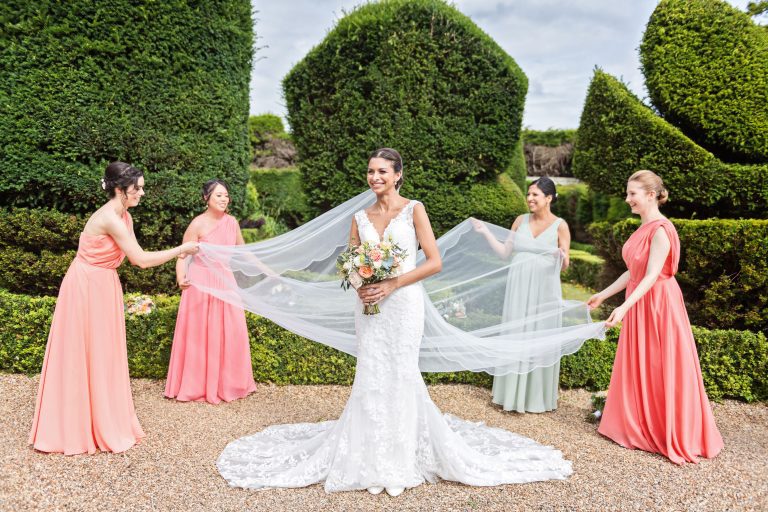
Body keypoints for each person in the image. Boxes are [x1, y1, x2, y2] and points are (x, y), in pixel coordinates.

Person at [215, 148, 573, 495]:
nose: (375, 177)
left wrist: (391, 283)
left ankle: (400, 460)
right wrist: (360, 286)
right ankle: (366, 457)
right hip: (370, 308)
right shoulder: (359, 218)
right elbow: (351, 262)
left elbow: (433, 262)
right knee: (370, 373)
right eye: (371, 171)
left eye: (382, 171)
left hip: (404, 304)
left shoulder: (414, 210)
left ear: (398, 175)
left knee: (401, 371)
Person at [28, 161, 198, 455]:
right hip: (85, 287)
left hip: (104, 284)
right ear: (120, 190)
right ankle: (77, 427)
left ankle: (102, 418)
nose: (142, 193)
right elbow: (141, 260)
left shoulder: (124, 215)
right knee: (83, 353)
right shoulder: (109, 218)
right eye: (138, 188)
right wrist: (182, 250)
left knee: (103, 354)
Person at [587, 170, 723, 464]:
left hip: (659, 304)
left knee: (662, 363)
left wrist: (624, 307)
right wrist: (604, 294)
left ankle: (668, 430)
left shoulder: (661, 229)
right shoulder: (641, 228)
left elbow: (651, 277)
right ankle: (638, 424)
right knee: (641, 363)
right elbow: (632, 272)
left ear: (651, 195)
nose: (627, 199)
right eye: (627, 193)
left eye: (632, 194)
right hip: (641, 300)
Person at [472, 176, 570, 413]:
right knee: (516, 334)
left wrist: (562, 258)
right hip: (518, 288)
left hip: (544, 290)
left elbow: (566, 264)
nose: (529, 198)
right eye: (529, 194)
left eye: (534, 195)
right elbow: (505, 253)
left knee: (539, 336)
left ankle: (536, 398)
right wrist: (486, 232)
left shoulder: (560, 225)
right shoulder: (520, 220)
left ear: (549, 198)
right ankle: (510, 395)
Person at [165, 179, 257, 404]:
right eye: (218, 195)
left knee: (232, 331)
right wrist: (180, 277)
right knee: (199, 334)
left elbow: (243, 251)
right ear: (206, 198)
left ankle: (229, 384)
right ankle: (196, 385)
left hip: (225, 281)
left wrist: (268, 269)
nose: (224, 199)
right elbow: (182, 255)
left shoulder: (232, 222)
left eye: (226, 195)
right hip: (200, 283)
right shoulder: (197, 224)